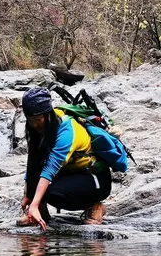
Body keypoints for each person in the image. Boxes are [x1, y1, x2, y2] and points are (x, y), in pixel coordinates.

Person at [18, 86, 112, 231]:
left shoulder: (67, 130)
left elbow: (50, 169)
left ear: (48, 114)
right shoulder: (41, 127)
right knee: (38, 177)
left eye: (37, 119)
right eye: (30, 120)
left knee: (53, 193)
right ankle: (39, 214)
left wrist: (34, 203)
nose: (34, 124)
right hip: (71, 172)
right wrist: (28, 195)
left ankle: (95, 206)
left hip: (95, 178)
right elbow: (34, 163)